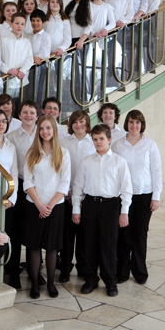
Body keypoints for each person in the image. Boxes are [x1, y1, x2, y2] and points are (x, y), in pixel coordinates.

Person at [71, 124, 132, 297]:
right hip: (90, 204)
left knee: (109, 245)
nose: (98, 142)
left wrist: (124, 211)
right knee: (89, 243)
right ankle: (91, 279)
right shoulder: (87, 161)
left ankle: (110, 280)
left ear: (109, 140)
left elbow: (126, 189)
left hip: (111, 206)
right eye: (95, 139)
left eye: (101, 139)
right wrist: (76, 209)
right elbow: (78, 187)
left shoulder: (119, 162)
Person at [111, 110, 162, 285]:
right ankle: (122, 272)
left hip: (144, 195)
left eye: (138, 123)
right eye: (132, 122)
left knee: (140, 235)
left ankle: (140, 271)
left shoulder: (150, 145)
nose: (134, 126)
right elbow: (113, 171)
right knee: (124, 235)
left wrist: (156, 196)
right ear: (127, 123)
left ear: (142, 125)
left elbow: (156, 171)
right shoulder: (118, 145)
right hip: (123, 196)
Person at [23, 115, 71, 299]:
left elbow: (65, 183)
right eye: (42, 128)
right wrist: (39, 205)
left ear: (54, 130)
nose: (45, 131)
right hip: (33, 205)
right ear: (38, 131)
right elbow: (27, 181)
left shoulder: (63, 153)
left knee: (52, 248)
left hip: (55, 206)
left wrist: (49, 206)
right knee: (34, 247)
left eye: (48, 128)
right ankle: (35, 284)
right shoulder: (31, 152)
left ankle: (51, 284)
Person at [5, 100, 39, 288]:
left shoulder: (43, 134)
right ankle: (13, 272)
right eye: (25, 112)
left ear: (37, 115)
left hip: (38, 186)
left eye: (32, 112)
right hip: (18, 184)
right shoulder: (11, 137)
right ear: (19, 115)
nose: (28, 115)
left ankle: (36, 270)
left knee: (35, 230)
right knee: (16, 231)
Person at [58, 110, 95, 282]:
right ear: (71, 124)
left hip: (87, 196)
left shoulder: (93, 142)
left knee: (84, 236)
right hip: (67, 194)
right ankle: (65, 268)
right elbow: (59, 169)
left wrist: (84, 191)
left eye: (82, 122)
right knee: (67, 236)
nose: (78, 125)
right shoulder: (63, 142)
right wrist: (68, 190)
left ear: (87, 123)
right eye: (75, 122)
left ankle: (83, 267)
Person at [0, 12, 34, 104]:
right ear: (11, 24)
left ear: (25, 26)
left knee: (19, 105)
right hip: (6, 79)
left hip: (21, 80)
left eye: (22, 24)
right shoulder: (3, 40)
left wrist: (23, 70)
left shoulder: (26, 42)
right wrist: (8, 69)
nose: (19, 26)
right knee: (5, 104)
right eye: (17, 23)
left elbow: (29, 59)